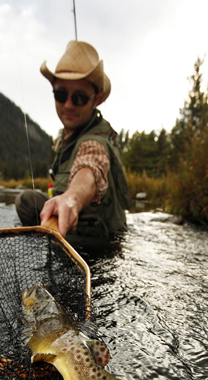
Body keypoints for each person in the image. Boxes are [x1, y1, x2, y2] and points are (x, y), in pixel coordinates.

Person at [15, 40, 132, 239]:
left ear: (95, 100)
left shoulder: (96, 141)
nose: (68, 105)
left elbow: (91, 166)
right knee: (26, 201)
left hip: (102, 240)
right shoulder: (64, 138)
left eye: (79, 97)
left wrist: (71, 199)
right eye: (61, 94)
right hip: (73, 222)